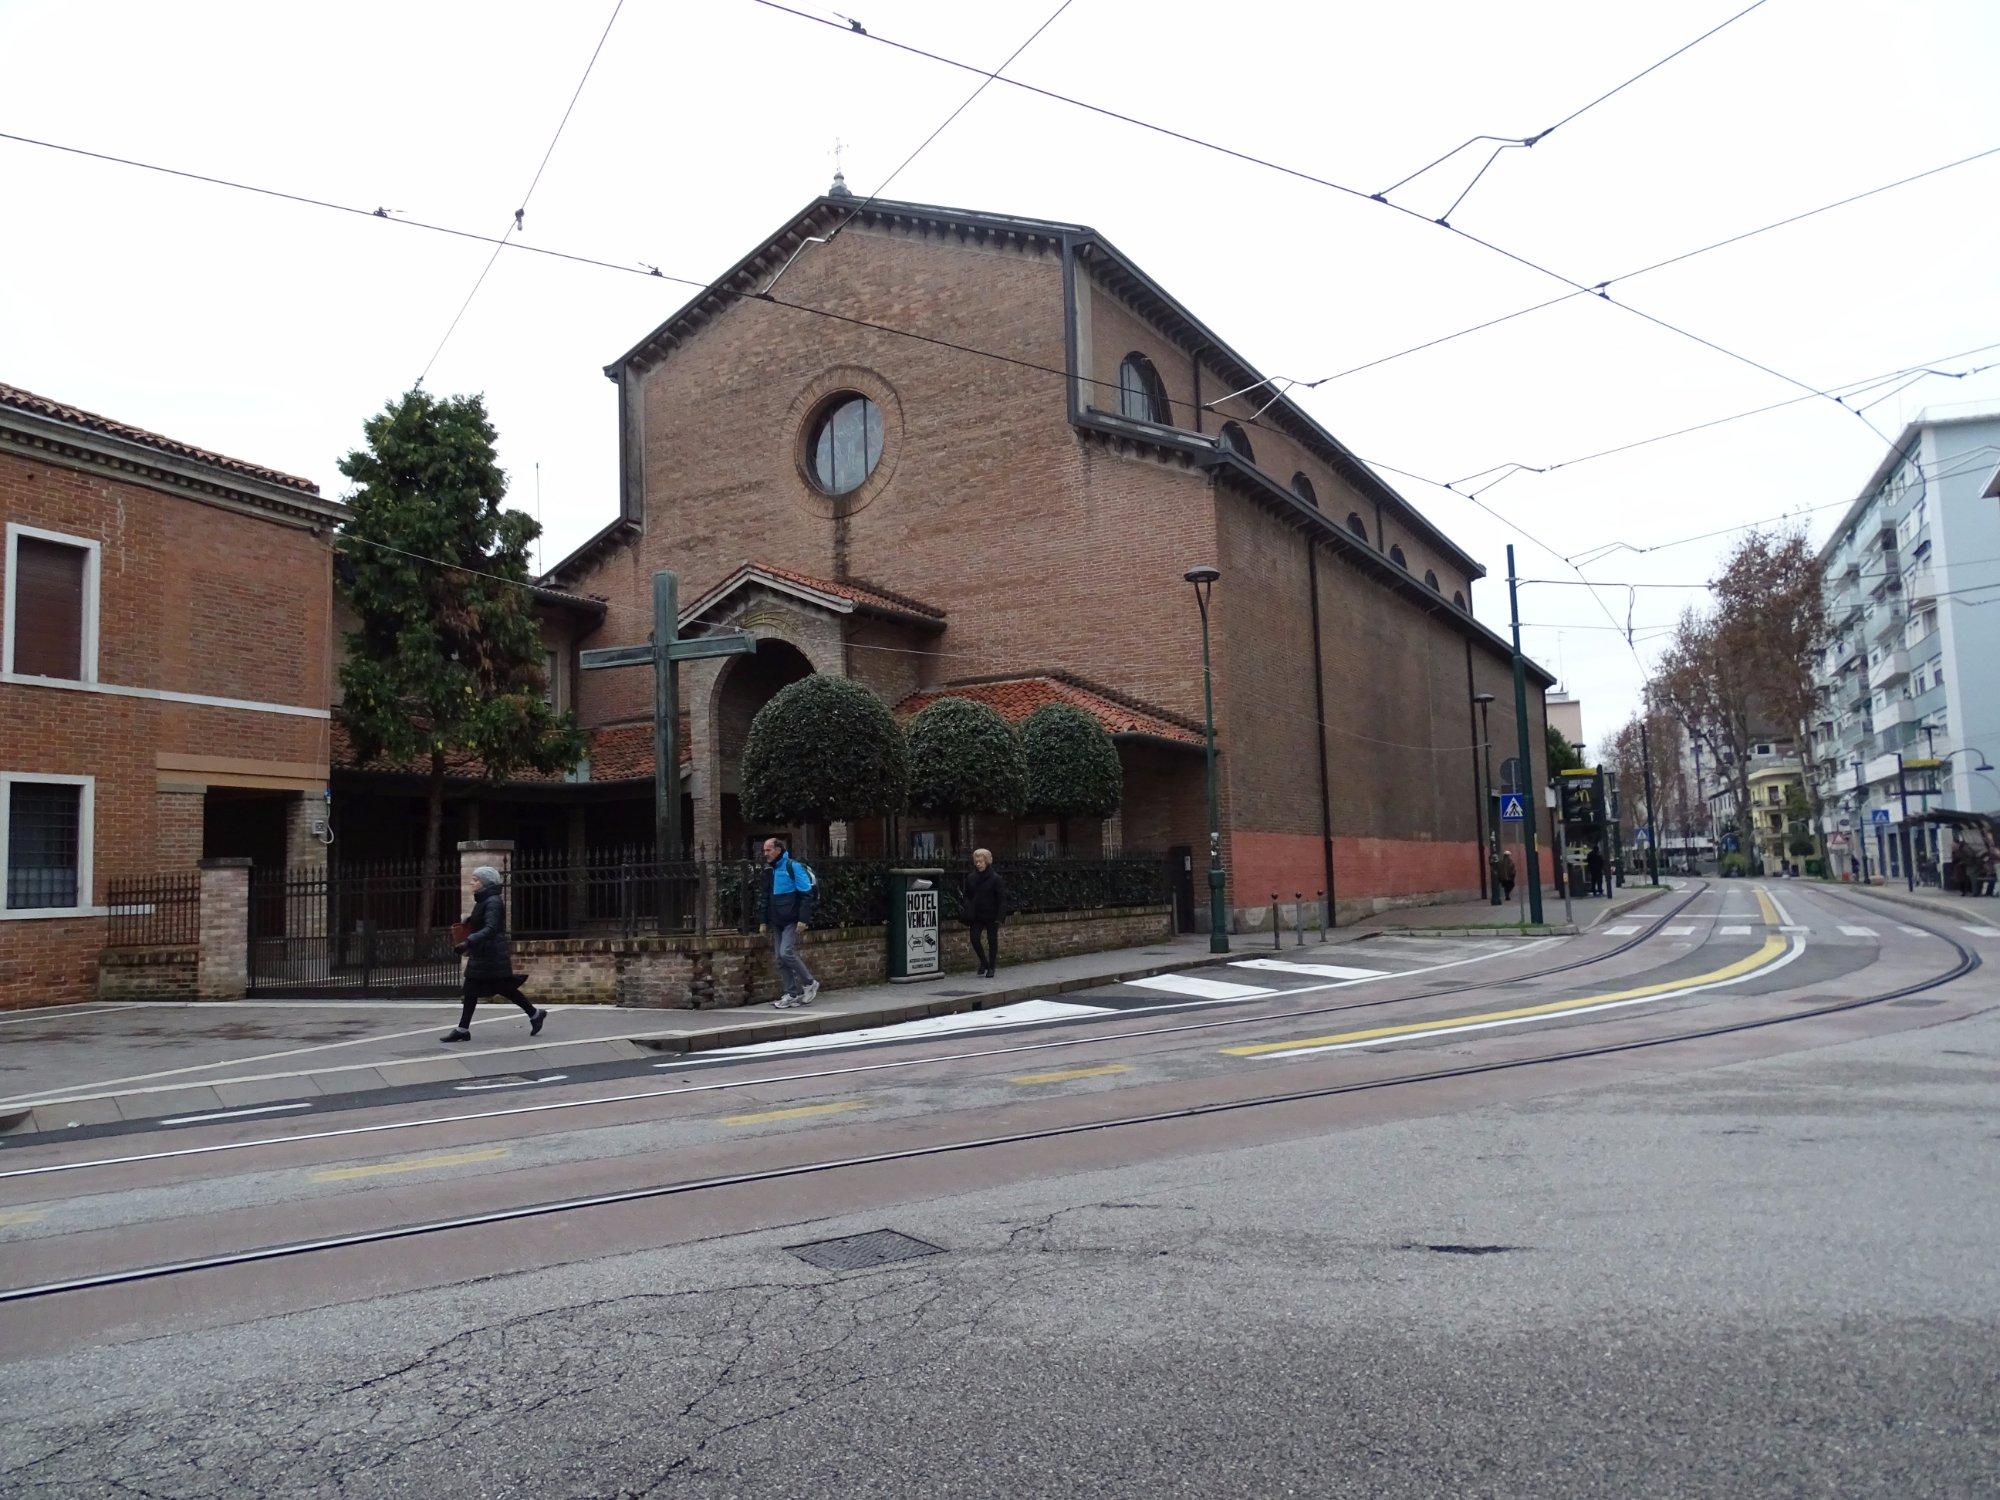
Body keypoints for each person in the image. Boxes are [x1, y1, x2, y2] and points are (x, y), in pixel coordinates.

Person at [442, 866, 546, 1044]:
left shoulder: (493, 902)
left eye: (475, 880)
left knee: (503, 988)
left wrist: (468, 941)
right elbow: (484, 923)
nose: (471, 883)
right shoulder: (484, 900)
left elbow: (491, 929)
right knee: (472, 990)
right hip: (482, 953)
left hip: (491, 954)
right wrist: (469, 921)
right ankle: (463, 1029)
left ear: (485, 883)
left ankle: (535, 1014)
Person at [759, 835, 820, 1008]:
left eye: (768, 850)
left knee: (786, 952)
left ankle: (810, 983)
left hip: (792, 919)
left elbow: (806, 894)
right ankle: (791, 994)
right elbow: (765, 896)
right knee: (779, 958)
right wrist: (763, 921)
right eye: (764, 850)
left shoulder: (793, 867)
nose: (765, 854)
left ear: (778, 850)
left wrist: (803, 919)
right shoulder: (770, 871)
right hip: (777, 919)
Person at [964, 848, 1006, 979]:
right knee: (974, 938)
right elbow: (967, 895)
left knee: (992, 941)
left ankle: (991, 967)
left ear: (987, 862)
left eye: (981, 861)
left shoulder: (995, 879)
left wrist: (1000, 917)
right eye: (976, 861)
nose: (978, 864)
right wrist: (968, 906)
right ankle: (984, 962)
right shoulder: (971, 878)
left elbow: (1002, 899)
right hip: (977, 914)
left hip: (992, 914)